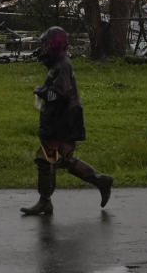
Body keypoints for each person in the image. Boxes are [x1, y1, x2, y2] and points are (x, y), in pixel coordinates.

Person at [20, 26, 113, 216]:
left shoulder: (63, 65)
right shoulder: (58, 64)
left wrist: (41, 91)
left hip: (63, 119)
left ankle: (45, 201)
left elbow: (59, 94)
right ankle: (100, 180)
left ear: (55, 45)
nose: (43, 48)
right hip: (62, 118)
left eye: (46, 44)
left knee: (46, 159)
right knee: (60, 159)